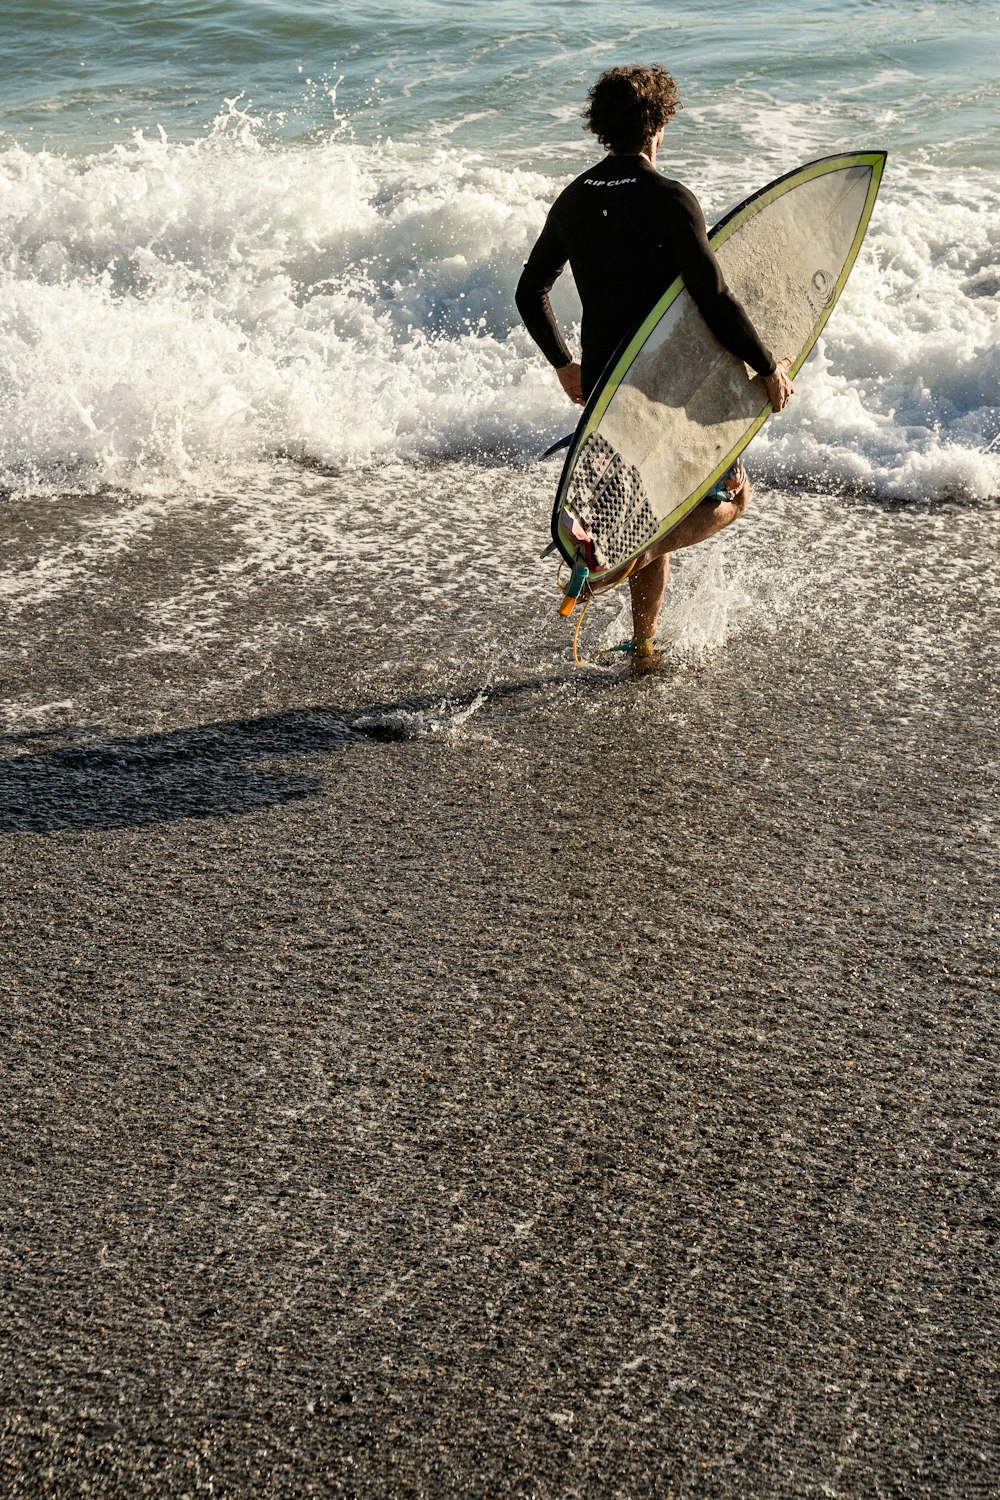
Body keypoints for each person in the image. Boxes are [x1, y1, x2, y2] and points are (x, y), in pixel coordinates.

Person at [516, 64, 793, 668]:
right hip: (672, 389)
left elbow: (529, 291)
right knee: (732, 499)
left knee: (645, 498)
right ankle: (631, 554)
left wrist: (567, 365)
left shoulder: (574, 199)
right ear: (659, 121)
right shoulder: (670, 199)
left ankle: (644, 643)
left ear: (601, 127)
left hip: (608, 388)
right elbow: (712, 296)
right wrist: (766, 366)